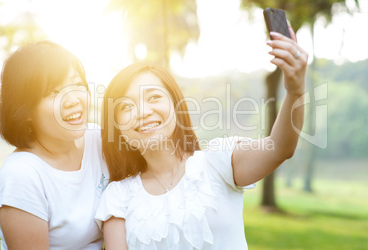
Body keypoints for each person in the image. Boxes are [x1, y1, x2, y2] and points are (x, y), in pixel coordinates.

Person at [95, 28, 307, 249]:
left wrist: (295, 91)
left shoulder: (217, 162)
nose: (142, 111)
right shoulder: (118, 197)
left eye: (154, 97)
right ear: (117, 127)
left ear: (177, 107)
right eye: (127, 106)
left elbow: (279, 148)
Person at [0, 41, 109, 249]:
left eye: (76, 85)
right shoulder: (21, 176)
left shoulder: (97, 139)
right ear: (26, 111)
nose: (72, 100)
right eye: (53, 92)